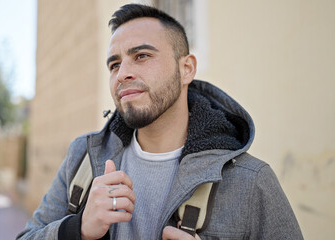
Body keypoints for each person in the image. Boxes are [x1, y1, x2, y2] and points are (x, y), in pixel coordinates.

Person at [17, 3, 303, 240]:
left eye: (141, 56)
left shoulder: (251, 181)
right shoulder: (83, 158)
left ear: (186, 68)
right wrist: (76, 229)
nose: (122, 73)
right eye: (114, 64)